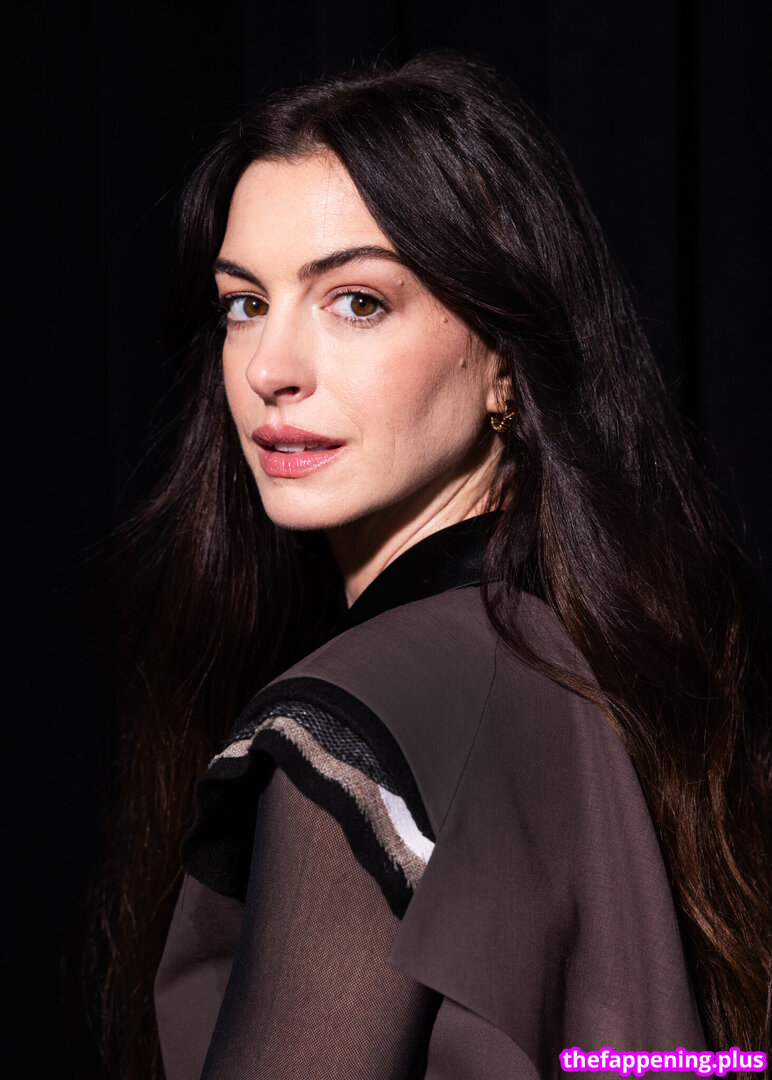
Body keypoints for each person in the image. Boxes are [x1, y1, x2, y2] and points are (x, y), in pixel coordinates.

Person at [99, 53, 771, 1080]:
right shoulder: (596, 662)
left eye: (356, 301)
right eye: (243, 304)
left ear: (502, 357)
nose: (271, 368)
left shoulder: (361, 715)